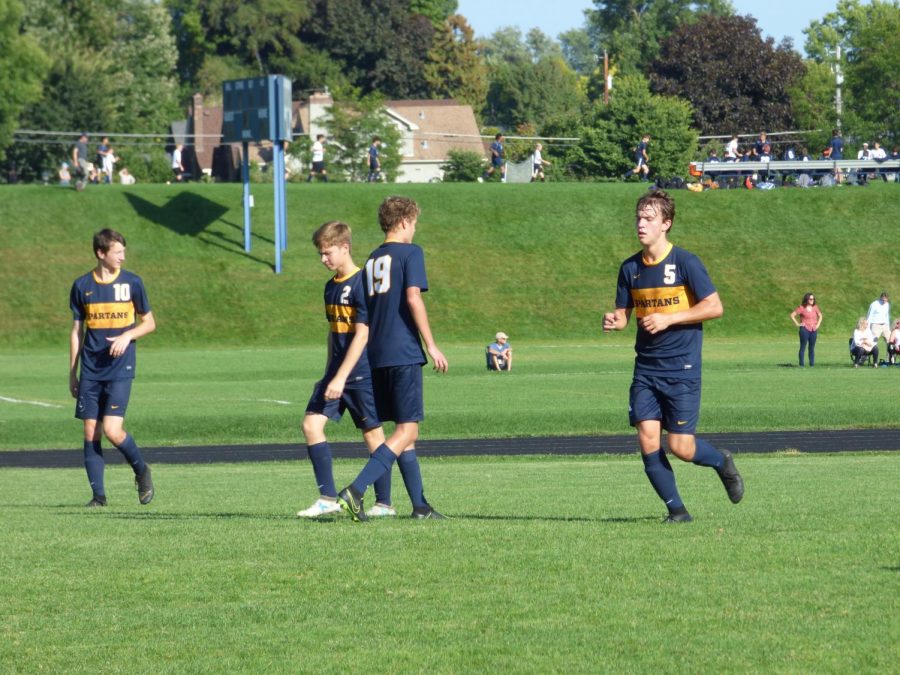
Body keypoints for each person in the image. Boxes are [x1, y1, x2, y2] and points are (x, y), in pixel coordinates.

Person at [602, 189, 744, 523]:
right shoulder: (630, 268)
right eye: (639, 217)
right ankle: (677, 511)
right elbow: (623, 317)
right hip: (646, 369)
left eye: (649, 218)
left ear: (665, 223)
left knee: (681, 446)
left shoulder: (686, 263)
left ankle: (722, 461)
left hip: (682, 368)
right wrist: (614, 320)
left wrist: (669, 317)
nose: (641, 224)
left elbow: (714, 307)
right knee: (647, 438)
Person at [336, 196, 449, 521]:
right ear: (403, 222)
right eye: (414, 224)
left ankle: (421, 506)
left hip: (377, 354)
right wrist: (431, 344)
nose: (414, 230)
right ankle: (356, 490)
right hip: (403, 351)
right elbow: (413, 298)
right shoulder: (411, 253)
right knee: (407, 431)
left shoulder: (371, 260)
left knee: (404, 434)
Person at [296, 221, 394, 518]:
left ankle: (384, 504)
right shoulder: (330, 287)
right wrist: (329, 371)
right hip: (336, 373)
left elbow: (362, 335)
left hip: (360, 373)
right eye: (320, 254)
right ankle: (326, 497)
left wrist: (341, 376)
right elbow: (333, 333)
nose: (323, 259)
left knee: (373, 437)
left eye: (327, 253)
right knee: (311, 426)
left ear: (345, 248)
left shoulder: (362, 283)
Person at [69, 229, 156, 507]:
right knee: (90, 431)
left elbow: (149, 322)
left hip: (120, 366)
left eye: (123, 251)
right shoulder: (82, 285)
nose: (123, 256)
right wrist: (72, 372)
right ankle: (99, 497)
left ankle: (141, 470)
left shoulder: (132, 283)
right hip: (91, 369)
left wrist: (127, 335)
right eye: (117, 252)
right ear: (100, 253)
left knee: (112, 430)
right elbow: (76, 332)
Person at [790, 292, 823, 367]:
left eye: (813, 299)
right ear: (807, 299)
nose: (812, 300)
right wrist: (798, 324)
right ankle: (801, 364)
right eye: (811, 299)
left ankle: (812, 364)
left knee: (812, 347)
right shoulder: (801, 307)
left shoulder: (815, 307)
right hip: (804, 330)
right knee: (803, 346)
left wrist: (817, 325)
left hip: (813, 330)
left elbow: (820, 316)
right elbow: (792, 315)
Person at [866, 291, 891, 356]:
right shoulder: (874, 304)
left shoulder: (887, 304)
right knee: (873, 342)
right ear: (880, 298)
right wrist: (868, 327)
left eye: (885, 300)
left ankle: (889, 360)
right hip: (875, 325)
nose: (884, 302)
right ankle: (866, 356)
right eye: (883, 300)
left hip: (885, 325)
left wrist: (888, 326)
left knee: (890, 342)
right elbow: (869, 315)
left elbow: (887, 316)